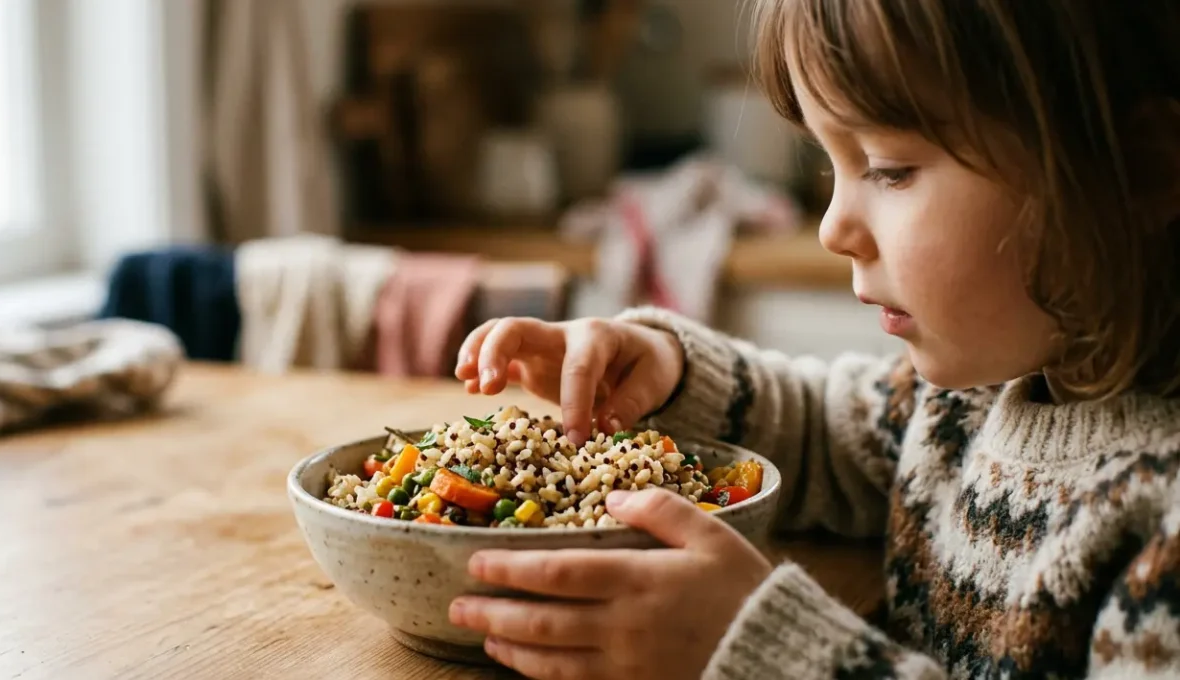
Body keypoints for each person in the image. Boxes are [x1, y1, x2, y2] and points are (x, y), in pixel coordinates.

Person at [445, 0, 1180, 678]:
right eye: (829, 165)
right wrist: (666, 374)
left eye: (890, 171)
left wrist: (771, 652)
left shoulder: (1161, 522)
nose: (832, 228)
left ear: (1141, 169)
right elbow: (824, 430)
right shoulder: (969, 397)